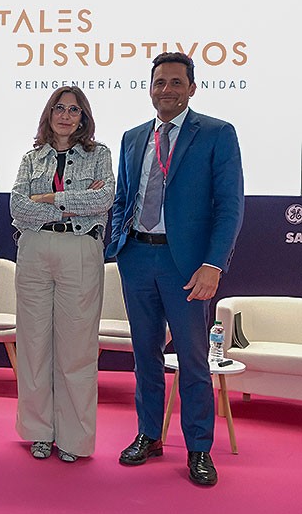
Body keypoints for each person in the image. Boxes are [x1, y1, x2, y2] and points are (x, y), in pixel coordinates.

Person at [107, 52, 244, 486]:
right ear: (150, 89)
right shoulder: (132, 137)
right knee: (145, 356)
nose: (166, 89)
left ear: (192, 88)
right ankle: (149, 435)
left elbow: (229, 206)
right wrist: (120, 245)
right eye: (159, 82)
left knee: (192, 360)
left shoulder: (217, 134)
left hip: (185, 265)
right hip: (137, 258)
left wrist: (213, 265)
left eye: (176, 82)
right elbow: (124, 198)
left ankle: (199, 448)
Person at [10, 86, 114, 463]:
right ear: (49, 114)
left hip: (80, 250)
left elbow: (103, 199)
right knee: (34, 346)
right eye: (59, 108)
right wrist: (75, 203)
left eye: (73, 110)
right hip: (35, 250)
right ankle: (39, 432)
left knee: (76, 350)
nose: (65, 116)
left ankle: (74, 438)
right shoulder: (31, 157)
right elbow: (18, 207)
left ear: (83, 117)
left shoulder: (99, 155)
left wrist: (49, 199)